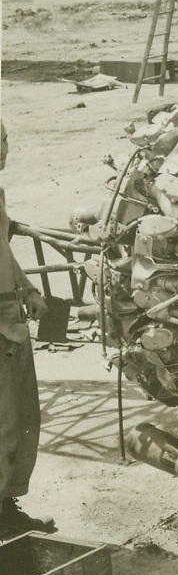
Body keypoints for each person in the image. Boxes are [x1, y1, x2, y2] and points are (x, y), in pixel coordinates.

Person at [0, 122, 55, 539]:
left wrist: (28, 286)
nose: (5, 148)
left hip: (11, 319)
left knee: (22, 418)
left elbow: (2, 249)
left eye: (5, 139)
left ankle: (6, 507)